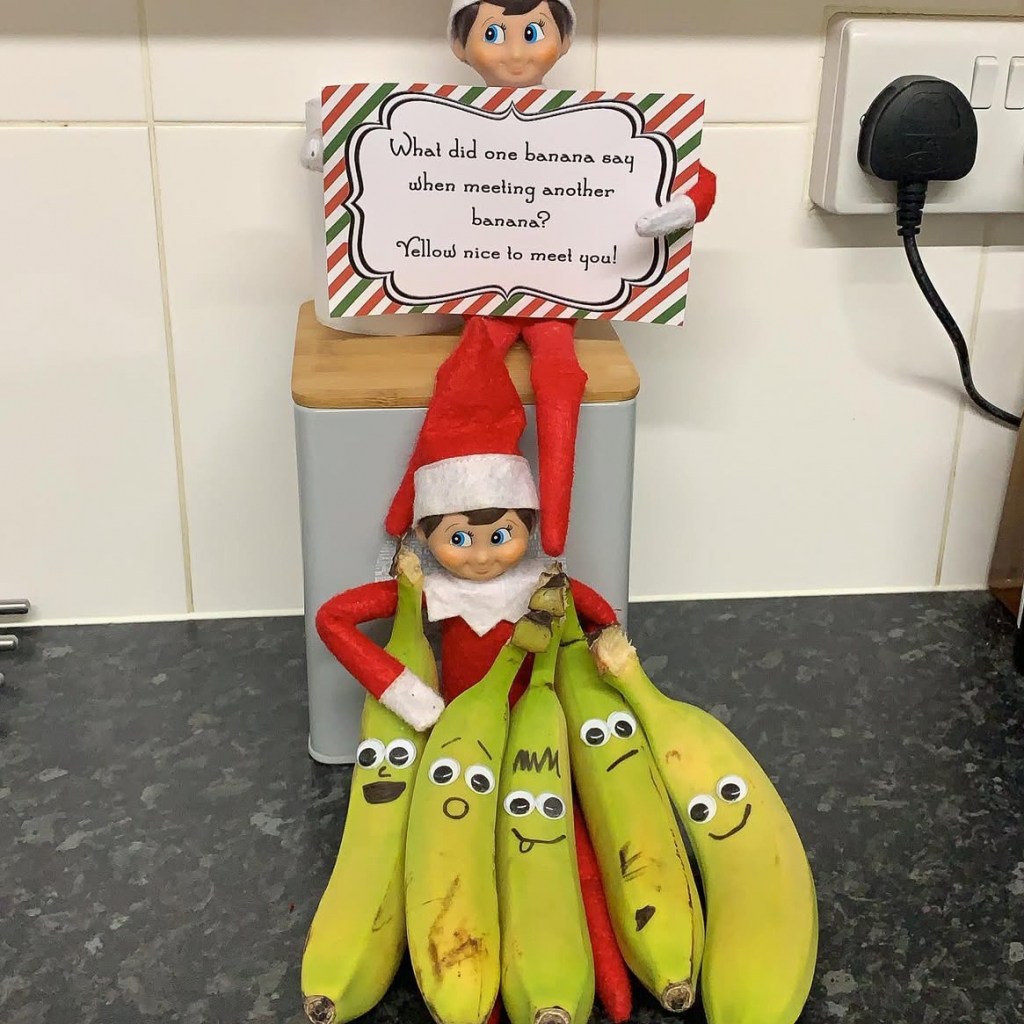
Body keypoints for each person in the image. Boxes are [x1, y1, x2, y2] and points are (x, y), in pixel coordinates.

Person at [316, 315, 617, 729]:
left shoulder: (542, 587)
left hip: (537, 721)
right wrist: (406, 694)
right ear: (423, 534)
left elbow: (602, 616)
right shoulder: (434, 590)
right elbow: (331, 618)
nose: (481, 557)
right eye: (458, 538)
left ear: (529, 526)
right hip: (457, 728)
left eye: (500, 536)